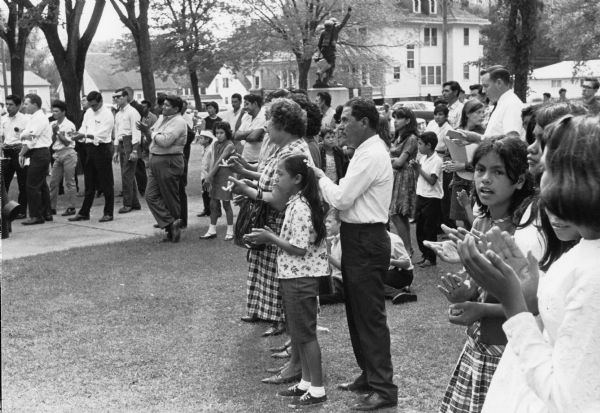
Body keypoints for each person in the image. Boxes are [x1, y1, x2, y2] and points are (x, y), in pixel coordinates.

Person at [458, 115, 600, 413]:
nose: (539, 180)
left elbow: (570, 400)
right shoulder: (586, 247)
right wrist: (531, 292)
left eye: (546, 169)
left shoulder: (594, 273)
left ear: (577, 180)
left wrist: (513, 303)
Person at [312, 97, 398, 411]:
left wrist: (320, 177)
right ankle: (370, 374)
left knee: (370, 315)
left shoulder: (372, 153)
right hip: (357, 236)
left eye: (346, 120)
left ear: (364, 121)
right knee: (357, 312)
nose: (341, 126)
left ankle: (384, 388)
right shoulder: (364, 151)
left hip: (367, 237)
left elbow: (344, 197)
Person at [439, 136, 534, 413]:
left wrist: (480, 308)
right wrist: (464, 291)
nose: (485, 180)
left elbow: (534, 303)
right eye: (480, 170)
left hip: (507, 350)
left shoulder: (524, 230)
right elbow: (479, 282)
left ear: (519, 180)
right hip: (478, 345)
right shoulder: (481, 221)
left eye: (498, 172)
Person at [228, 98, 313, 384]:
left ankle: (296, 365)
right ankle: (294, 357)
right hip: (278, 230)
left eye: (269, 120)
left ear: (282, 125)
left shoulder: (293, 152)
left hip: (282, 232)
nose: (265, 126)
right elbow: (270, 180)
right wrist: (246, 175)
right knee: (287, 300)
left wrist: (247, 190)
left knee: (292, 300)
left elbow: (278, 199)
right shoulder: (287, 149)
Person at [246, 154, 329, 409]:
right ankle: (305, 382)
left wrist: (269, 237)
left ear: (297, 179)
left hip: (300, 278)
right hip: (292, 277)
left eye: (281, 174)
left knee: (305, 335)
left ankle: (317, 389)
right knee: (299, 333)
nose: (276, 178)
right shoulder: (296, 201)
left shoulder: (302, 206)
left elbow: (299, 248)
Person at [142, 95, 187, 242]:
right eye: (164, 105)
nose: (164, 107)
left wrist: (151, 133)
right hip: (156, 159)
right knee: (151, 195)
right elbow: (153, 137)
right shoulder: (162, 118)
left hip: (169, 161)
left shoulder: (179, 122)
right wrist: (147, 133)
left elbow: (165, 141)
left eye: (168, 105)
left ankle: (172, 230)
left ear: (176, 108)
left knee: (170, 196)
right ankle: (170, 223)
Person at [68, 91, 115, 223]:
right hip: (89, 148)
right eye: (90, 105)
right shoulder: (88, 112)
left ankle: (108, 212)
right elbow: (84, 127)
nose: (92, 107)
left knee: (106, 182)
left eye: (94, 105)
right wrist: (78, 134)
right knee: (89, 183)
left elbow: (102, 135)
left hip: (102, 148)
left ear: (100, 102)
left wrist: (84, 135)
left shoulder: (107, 115)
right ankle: (84, 212)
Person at [444, 100, 485, 229]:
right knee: (459, 221)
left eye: (483, 112)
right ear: (467, 114)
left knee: (475, 219)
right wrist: (449, 164)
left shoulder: (483, 135)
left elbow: (485, 161)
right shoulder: (456, 132)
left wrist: (463, 166)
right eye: (478, 112)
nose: (482, 115)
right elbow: (448, 153)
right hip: (459, 180)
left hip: (477, 181)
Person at [459, 66, 524, 143]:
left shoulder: (512, 104)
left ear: (499, 83)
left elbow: (512, 141)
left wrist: (477, 138)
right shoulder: (503, 103)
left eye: (486, 86)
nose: (483, 91)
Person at [17, 94, 53, 225]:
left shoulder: (39, 118)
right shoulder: (34, 118)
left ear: (35, 105)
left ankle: (36, 216)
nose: (24, 106)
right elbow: (24, 134)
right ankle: (46, 213)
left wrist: (21, 153)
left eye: (26, 104)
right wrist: (24, 135)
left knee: (32, 185)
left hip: (39, 152)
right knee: (41, 184)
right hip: (38, 153)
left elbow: (30, 137)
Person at [410, 131, 443, 268]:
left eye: (421, 144)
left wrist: (419, 169)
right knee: (420, 229)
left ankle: (431, 257)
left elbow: (431, 180)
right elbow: (419, 177)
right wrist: (415, 168)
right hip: (421, 195)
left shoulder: (437, 160)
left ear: (429, 145)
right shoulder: (423, 158)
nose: (419, 147)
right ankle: (425, 254)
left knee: (429, 229)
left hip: (432, 198)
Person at [389, 106, 419, 256]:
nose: (395, 121)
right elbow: (397, 161)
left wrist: (390, 159)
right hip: (396, 177)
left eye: (399, 118)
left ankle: (407, 249)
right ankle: (408, 248)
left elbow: (400, 163)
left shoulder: (411, 138)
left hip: (405, 177)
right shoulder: (397, 137)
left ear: (408, 121)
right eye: (394, 117)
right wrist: (394, 160)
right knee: (399, 214)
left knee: (396, 213)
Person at [200, 121, 235, 240]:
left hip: (225, 176)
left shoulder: (229, 145)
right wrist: (209, 176)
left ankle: (230, 230)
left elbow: (220, 160)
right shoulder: (214, 144)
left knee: (226, 204)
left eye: (222, 133)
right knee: (213, 203)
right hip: (215, 175)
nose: (219, 135)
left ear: (227, 133)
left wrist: (209, 176)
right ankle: (212, 230)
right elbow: (213, 160)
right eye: (217, 133)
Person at [112, 88, 142, 214]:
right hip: (122, 142)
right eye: (115, 97)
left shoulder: (133, 112)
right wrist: (115, 151)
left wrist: (135, 150)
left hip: (130, 143)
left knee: (126, 175)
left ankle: (127, 204)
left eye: (119, 97)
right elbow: (117, 132)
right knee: (128, 175)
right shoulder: (118, 114)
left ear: (126, 97)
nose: (116, 99)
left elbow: (136, 132)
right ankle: (134, 203)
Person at [1, 94, 29, 218]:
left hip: (19, 151)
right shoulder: (3, 119)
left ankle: (22, 211)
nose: (8, 107)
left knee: (23, 182)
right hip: (7, 151)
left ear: (18, 105)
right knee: (4, 182)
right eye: (7, 104)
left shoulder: (25, 119)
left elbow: (29, 138)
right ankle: (4, 210)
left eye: (11, 104)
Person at [48, 100, 78, 217]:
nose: (54, 113)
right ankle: (51, 207)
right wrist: (54, 133)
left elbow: (67, 142)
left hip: (68, 154)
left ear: (63, 112)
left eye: (56, 111)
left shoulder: (69, 125)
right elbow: (51, 141)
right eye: (53, 110)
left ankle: (71, 207)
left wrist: (58, 132)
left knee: (69, 181)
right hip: (57, 154)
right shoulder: (53, 124)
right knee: (54, 182)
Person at [315, 7, 351, 86]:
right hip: (330, 50)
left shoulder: (323, 32)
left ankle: (324, 79)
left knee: (329, 64)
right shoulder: (335, 29)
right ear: (333, 24)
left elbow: (319, 44)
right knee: (332, 64)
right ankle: (324, 74)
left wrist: (320, 52)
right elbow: (343, 23)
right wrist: (348, 14)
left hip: (324, 50)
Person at [234, 94, 266, 164]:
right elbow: (236, 135)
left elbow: (252, 138)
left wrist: (243, 136)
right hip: (245, 158)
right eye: (244, 104)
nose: (245, 107)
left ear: (255, 103)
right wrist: (252, 131)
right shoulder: (246, 116)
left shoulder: (264, 116)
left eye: (247, 104)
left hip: (259, 160)